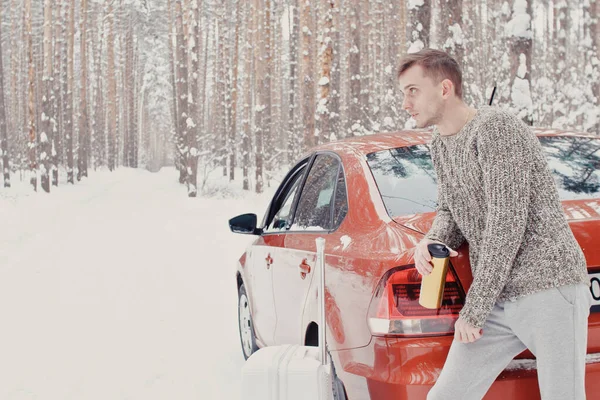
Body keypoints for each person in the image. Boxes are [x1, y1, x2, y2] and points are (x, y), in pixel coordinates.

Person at [398, 48, 591, 400]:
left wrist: (475, 309)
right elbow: (450, 210)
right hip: (500, 296)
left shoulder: (496, 129)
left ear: (444, 88)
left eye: (413, 90)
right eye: (403, 92)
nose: (405, 102)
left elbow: (507, 224)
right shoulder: (440, 143)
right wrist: (431, 239)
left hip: (548, 289)